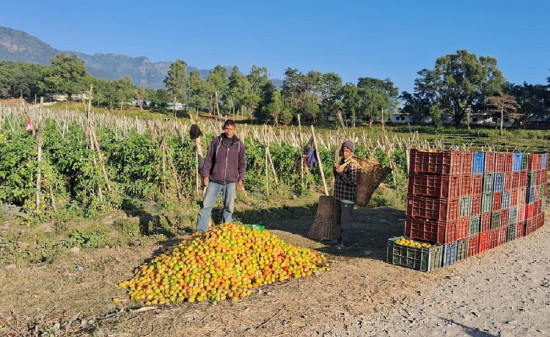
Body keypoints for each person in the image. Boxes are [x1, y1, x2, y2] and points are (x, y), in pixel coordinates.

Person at [196, 119, 246, 233]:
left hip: (231, 181)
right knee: (206, 206)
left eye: (231, 129)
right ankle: (200, 232)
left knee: (229, 208)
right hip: (215, 180)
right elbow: (208, 159)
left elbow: (242, 163)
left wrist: (241, 179)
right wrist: (206, 175)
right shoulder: (216, 142)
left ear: (235, 129)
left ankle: (226, 232)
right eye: (226, 128)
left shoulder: (239, 145)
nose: (228, 131)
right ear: (223, 128)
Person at [332, 140, 359, 249]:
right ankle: (339, 239)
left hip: (347, 197)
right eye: (343, 151)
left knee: (346, 221)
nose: (344, 153)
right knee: (338, 219)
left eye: (347, 151)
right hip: (339, 196)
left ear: (351, 152)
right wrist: (336, 171)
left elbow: (353, 181)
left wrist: (341, 173)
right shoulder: (342, 162)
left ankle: (345, 242)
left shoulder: (352, 164)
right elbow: (338, 178)